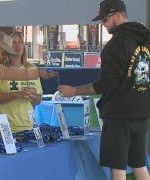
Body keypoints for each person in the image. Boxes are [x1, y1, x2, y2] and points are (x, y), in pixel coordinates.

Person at [58, 0, 150, 179]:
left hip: (119, 116)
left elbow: (107, 83)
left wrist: (74, 91)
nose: (103, 24)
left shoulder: (114, 46)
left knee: (118, 169)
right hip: (142, 111)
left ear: (117, 15)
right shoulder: (145, 39)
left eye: (105, 19)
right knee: (139, 165)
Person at [0, 32, 43, 133]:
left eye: (20, 42)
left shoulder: (32, 69)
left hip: (28, 125)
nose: (17, 45)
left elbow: (38, 100)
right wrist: (17, 94)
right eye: (13, 43)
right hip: (5, 127)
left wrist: (33, 96)